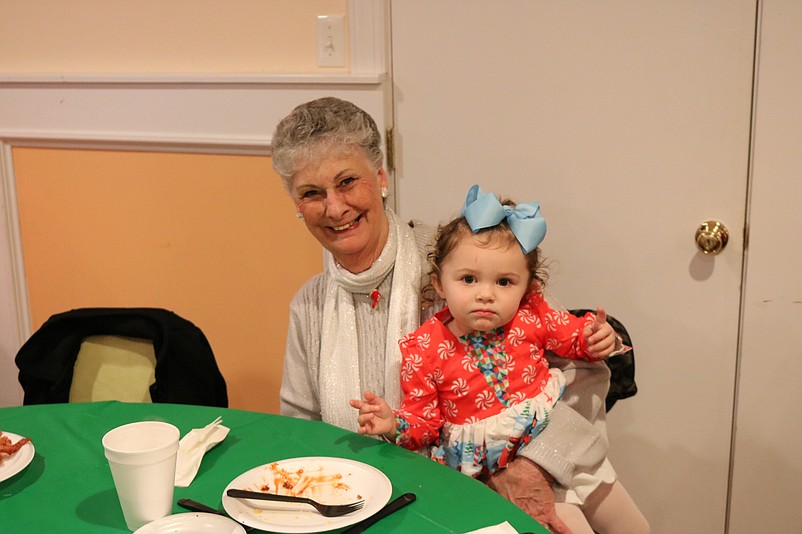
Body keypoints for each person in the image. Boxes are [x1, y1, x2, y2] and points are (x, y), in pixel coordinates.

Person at [271, 96, 638, 533]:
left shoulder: (464, 263)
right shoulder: (309, 306)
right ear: (296, 204)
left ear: (382, 177)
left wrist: (533, 467)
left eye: (348, 181)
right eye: (312, 193)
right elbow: (301, 432)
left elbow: (582, 374)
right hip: (373, 508)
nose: (334, 208)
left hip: (505, 483)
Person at [351, 185, 649, 533]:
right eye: (468, 279)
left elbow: (575, 339)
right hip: (495, 474)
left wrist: (598, 337)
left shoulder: (531, 315)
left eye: (504, 281)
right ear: (440, 284)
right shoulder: (423, 348)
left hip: (561, 451)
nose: (485, 294)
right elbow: (425, 423)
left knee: (635, 527)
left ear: (527, 287)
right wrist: (393, 424)